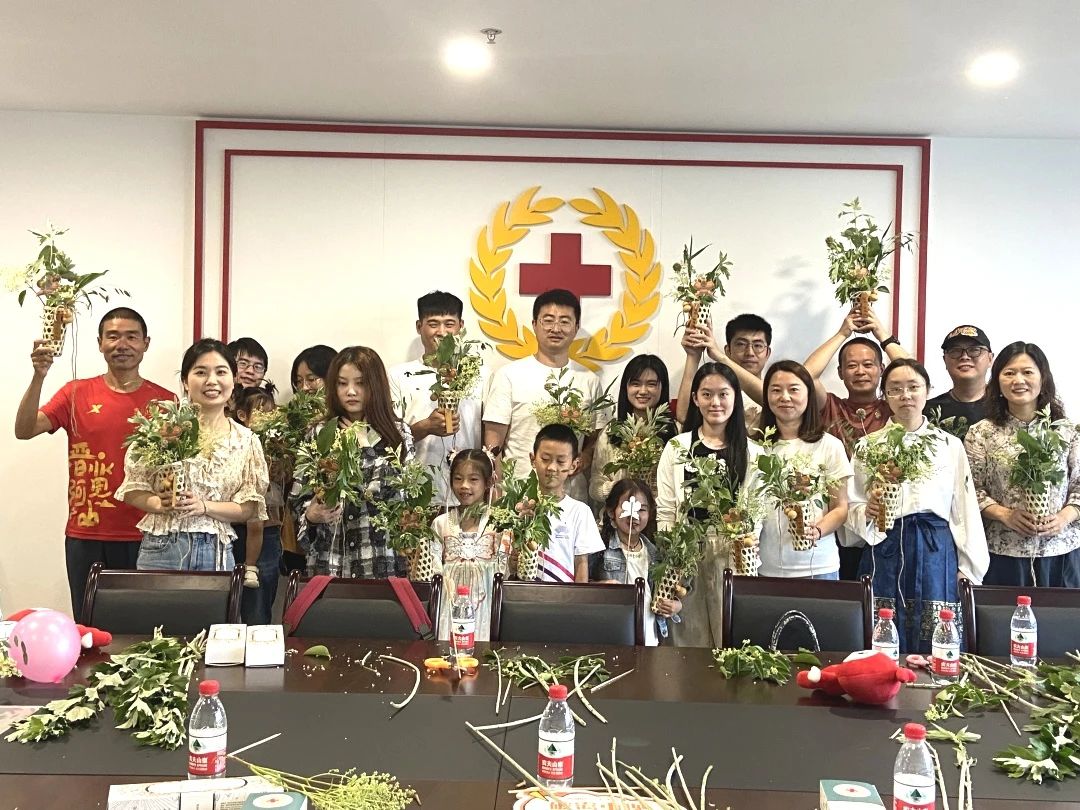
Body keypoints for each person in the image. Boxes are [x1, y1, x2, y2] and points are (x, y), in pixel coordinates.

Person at [14, 307, 175, 614]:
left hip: (145, 534)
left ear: (146, 343)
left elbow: (170, 468)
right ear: (100, 343)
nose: (122, 345)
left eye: (131, 337)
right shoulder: (75, 393)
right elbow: (24, 430)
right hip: (86, 533)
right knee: (89, 626)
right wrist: (39, 375)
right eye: (113, 336)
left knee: (140, 626)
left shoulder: (165, 402)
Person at [845, 359, 988, 654]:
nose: (905, 396)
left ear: (927, 391)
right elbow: (852, 502)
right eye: (895, 389)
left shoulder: (949, 445)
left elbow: (963, 508)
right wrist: (867, 511)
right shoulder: (868, 446)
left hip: (935, 549)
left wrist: (969, 568)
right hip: (885, 546)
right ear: (885, 395)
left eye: (913, 387)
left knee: (936, 637)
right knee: (881, 634)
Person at [117, 339, 270, 572]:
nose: (212, 381)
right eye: (201, 372)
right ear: (185, 382)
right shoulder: (162, 429)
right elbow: (132, 490)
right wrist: (159, 503)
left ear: (233, 379)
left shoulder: (246, 440)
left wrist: (204, 506)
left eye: (221, 372)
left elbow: (248, 508)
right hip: (163, 547)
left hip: (217, 551)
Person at [803, 305, 911, 580]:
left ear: (881, 370)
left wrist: (882, 334)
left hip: (884, 522)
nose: (860, 371)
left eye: (868, 364)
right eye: (851, 365)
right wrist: (843, 332)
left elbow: (913, 375)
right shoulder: (830, 406)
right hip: (837, 523)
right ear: (840, 372)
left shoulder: (895, 409)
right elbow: (805, 376)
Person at [656, 362, 760, 648]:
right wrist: (672, 557)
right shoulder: (677, 447)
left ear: (735, 398)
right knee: (688, 641)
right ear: (695, 399)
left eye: (723, 394)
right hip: (687, 553)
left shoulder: (752, 452)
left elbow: (755, 513)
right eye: (707, 394)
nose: (715, 402)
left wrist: (747, 545)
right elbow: (666, 510)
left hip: (733, 554)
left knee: (733, 640)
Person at [964, 342, 1080, 587]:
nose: (1018, 380)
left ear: (1043, 378)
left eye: (1027, 372)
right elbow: (971, 490)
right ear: (997, 382)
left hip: (1061, 551)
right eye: (1009, 373)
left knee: (1062, 613)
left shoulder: (1068, 431)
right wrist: (1005, 515)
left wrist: (1064, 517)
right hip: (1003, 552)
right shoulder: (981, 433)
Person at [291, 346, 412, 578]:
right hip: (330, 560)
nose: (351, 391)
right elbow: (298, 497)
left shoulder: (397, 433)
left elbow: (399, 498)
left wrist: (365, 448)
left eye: (360, 383)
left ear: (375, 385)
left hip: (379, 560)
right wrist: (311, 515)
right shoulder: (319, 432)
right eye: (342, 383)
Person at [484, 289, 607, 501]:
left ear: (576, 327)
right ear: (534, 324)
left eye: (565, 321)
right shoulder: (509, 375)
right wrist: (498, 496)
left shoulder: (589, 381)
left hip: (572, 497)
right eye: (548, 320)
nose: (556, 328)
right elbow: (493, 443)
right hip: (520, 496)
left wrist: (584, 458)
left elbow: (597, 440)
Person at [755, 361, 852, 579]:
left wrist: (817, 530)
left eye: (794, 390)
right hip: (767, 567)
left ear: (808, 394)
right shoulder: (756, 447)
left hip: (819, 566)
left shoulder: (829, 445)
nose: (785, 397)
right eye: (776, 390)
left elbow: (840, 508)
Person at [389, 291, 485, 506]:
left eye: (449, 324)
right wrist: (425, 427)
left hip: (469, 496)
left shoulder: (481, 375)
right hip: (415, 493)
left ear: (461, 326)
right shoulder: (398, 376)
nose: (441, 332)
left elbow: (491, 438)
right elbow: (388, 440)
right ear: (419, 326)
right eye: (433, 324)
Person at [589, 479, 681, 646]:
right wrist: (601, 587)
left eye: (642, 509)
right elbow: (581, 586)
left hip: (649, 636)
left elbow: (668, 592)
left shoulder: (655, 553)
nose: (634, 515)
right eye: (627, 507)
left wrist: (675, 606)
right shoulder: (599, 548)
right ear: (611, 511)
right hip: (611, 636)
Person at [430, 449, 501, 641]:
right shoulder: (441, 523)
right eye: (458, 479)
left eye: (473, 479)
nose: (464, 486)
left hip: (485, 606)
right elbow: (433, 568)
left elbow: (503, 570)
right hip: (448, 604)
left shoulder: (499, 523)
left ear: (488, 482)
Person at [589, 354, 676, 506]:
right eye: (636, 384)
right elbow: (595, 486)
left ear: (662, 388)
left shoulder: (674, 432)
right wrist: (621, 489)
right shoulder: (610, 432)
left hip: (659, 516)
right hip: (619, 515)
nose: (643, 391)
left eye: (651, 384)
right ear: (626, 387)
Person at [231, 386, 284, 624]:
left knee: (258, 608)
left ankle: (258, 644)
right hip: (232, 525)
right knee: (224, 603)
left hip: (268, 525)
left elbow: (287, 478)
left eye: (270, 413)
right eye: (261, 413)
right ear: (242, 415)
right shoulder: (231, 440)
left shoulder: (278, 442)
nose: (266, 418)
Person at [529, 423, 605, 582]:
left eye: (561, 461)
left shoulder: (580, 512)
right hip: (526, 595)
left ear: (574, 465)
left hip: (565, 595)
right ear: (533, 459)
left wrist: (577, 597)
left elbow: (581, 565)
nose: (551, 467)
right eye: (545, 459)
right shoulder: (521, 508)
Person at [675, 314, 769, 429]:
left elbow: (770, 398)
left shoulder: (779, 390)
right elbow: (684, 416)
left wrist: (720, 357)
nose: (749, 352)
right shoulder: (717, 390)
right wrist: (693, 356)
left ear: (767, 353)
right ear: (728, 350)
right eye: (741, 344)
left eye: (758, 345)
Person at [924, 325, 993, 431]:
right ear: (945, 361)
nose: (964, 356)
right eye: (955, 351)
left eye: (974, 350)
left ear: (990, 359)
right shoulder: (927, 412)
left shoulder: (1007, 405)